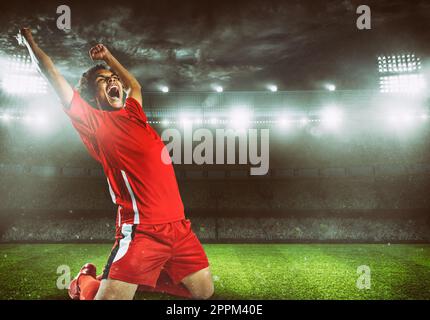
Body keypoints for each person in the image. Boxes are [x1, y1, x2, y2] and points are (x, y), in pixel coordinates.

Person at [17, 28, 214, 300]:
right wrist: (29, 42)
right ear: (93, 95)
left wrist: (109, 58)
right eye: (103, 81)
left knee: (205, 293)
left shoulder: (133, 111)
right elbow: (51, 75)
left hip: (179, 227)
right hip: (142, 231)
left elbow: (135, 86)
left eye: (114, 79)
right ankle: (84, 282)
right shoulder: (95, 122)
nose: (114, 82)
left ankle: (139, 280)